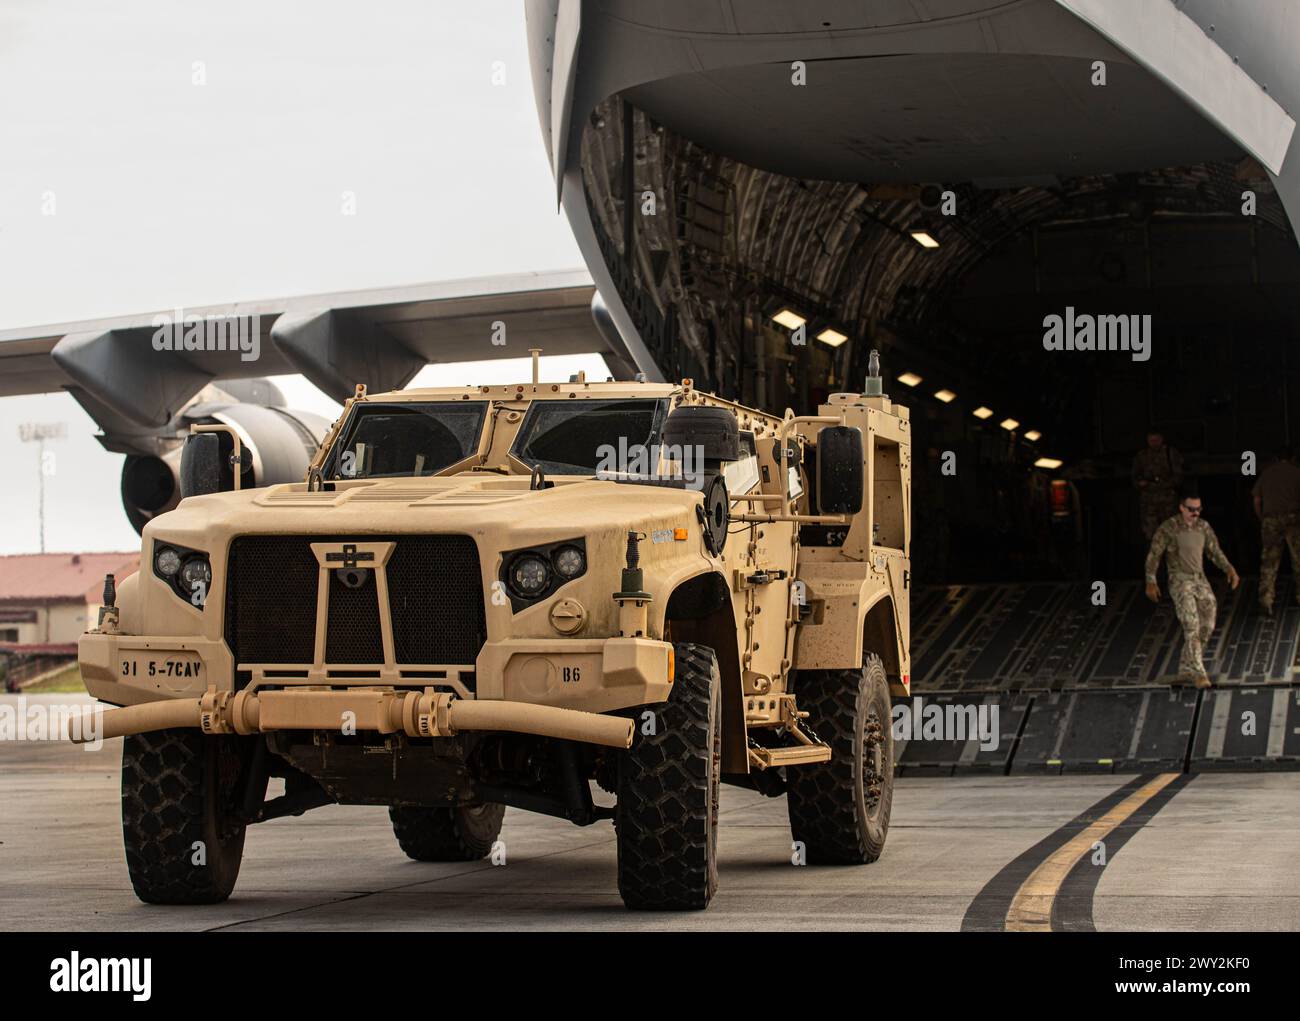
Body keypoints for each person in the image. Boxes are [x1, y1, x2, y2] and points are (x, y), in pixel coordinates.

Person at [1144, 489, 1239, 688]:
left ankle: (1187, 668)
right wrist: (1151, 580)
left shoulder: (1203, 527)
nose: (1195, 513)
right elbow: (1154, 555)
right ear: (1181, 508)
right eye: (1191, 509)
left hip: (1200, 580)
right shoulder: (1169, 528)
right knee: (1191, 625)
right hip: (1180, 581)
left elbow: (1214, 551)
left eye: (1198, 509)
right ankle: (1198, 673)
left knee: (1208, 625)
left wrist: (1229, 569)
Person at [1252, 448, 1300, 615]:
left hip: (1270, 520)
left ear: (1275, 457)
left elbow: (1257, 500)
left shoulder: (1267, 473)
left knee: (1269, 562)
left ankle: (1266, 601)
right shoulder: (1296, 472)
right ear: (1292, 458)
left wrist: (1263, 519)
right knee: (1298, 560)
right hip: (1293, 520)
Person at [1132, 431, 1183, 541]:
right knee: (1152, 536)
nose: (1153, 443)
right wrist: (1143, 483)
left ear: (1161, 439)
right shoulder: (1142, 456)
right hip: (1149, 503)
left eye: (1156, 440)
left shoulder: (1170, 454)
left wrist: (1163, 484)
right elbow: (1135, 478)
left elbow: (1178, 477)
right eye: (1151, 441)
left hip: (1168, 502)